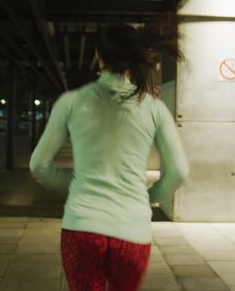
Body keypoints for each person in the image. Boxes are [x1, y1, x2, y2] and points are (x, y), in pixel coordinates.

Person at [29, 22, 189, 291]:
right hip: (132, 231)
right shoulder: (154, 108)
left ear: (98, 56)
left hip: (82, 228)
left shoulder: (71, 102)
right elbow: (179, 172)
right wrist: (146, 196)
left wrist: (76, 184)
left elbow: (39, 166)